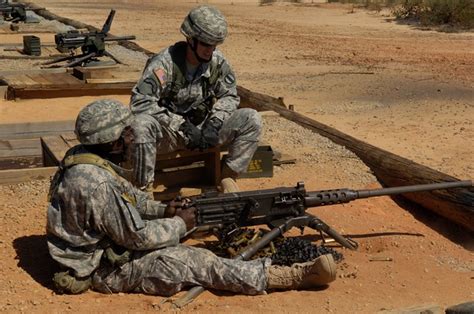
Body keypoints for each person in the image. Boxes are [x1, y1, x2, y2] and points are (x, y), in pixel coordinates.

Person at [46, 99, 337, 296]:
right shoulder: (97, 183)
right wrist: (179, 224)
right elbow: (135, 238)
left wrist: (163, 209)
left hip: (99, 247)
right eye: (127, 133)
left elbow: (131, 198)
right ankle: (290, 277)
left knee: (183, 233)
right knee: (195, 260)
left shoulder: (82, 159)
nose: (133, 138)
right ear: (111, 141)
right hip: (102, 268)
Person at [129, 5, 262, 192]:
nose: (211, 50)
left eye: (214, 45)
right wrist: (180, 125)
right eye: (206, 44)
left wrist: (215, 122)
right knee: (140, 126)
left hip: (205, 129)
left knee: (251, 118)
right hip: (171, 133)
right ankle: (144, 191)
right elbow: (140, 102)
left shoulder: (217, 62)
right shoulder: (164, 64)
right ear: (191, 39)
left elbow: (229, 96)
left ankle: (228, 177)